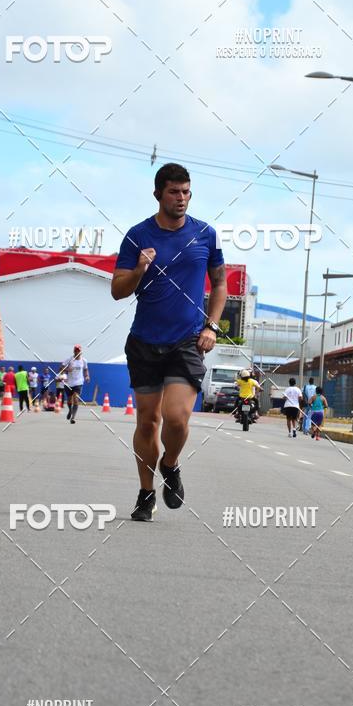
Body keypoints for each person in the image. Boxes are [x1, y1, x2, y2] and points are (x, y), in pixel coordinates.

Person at [112, 162, 227, 521]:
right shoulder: (136, 236)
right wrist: (139, 270)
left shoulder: (205, 234)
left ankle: (171, 463)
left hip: (188, 340)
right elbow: (117, 290)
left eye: (186, 192)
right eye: (175, 192)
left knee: (175, 417)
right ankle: (146, 494)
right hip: (145, 340)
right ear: (158, 193)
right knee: (147, 422)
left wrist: (211, 327)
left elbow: (220, 284)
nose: (182, 198)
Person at [62, 344, 90, 424]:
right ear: (74, 351)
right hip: (69, 383)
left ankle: (73, 417)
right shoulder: (69, 359)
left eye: (78, 350)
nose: (77, 351)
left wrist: (87, 376)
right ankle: (70, 410)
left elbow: (85, 369)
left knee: (76, 399)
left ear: (81, 352)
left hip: (78, 383)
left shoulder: (84, 360)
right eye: (76, 350)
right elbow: (61, 368)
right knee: (69, 400)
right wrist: (67, 369)